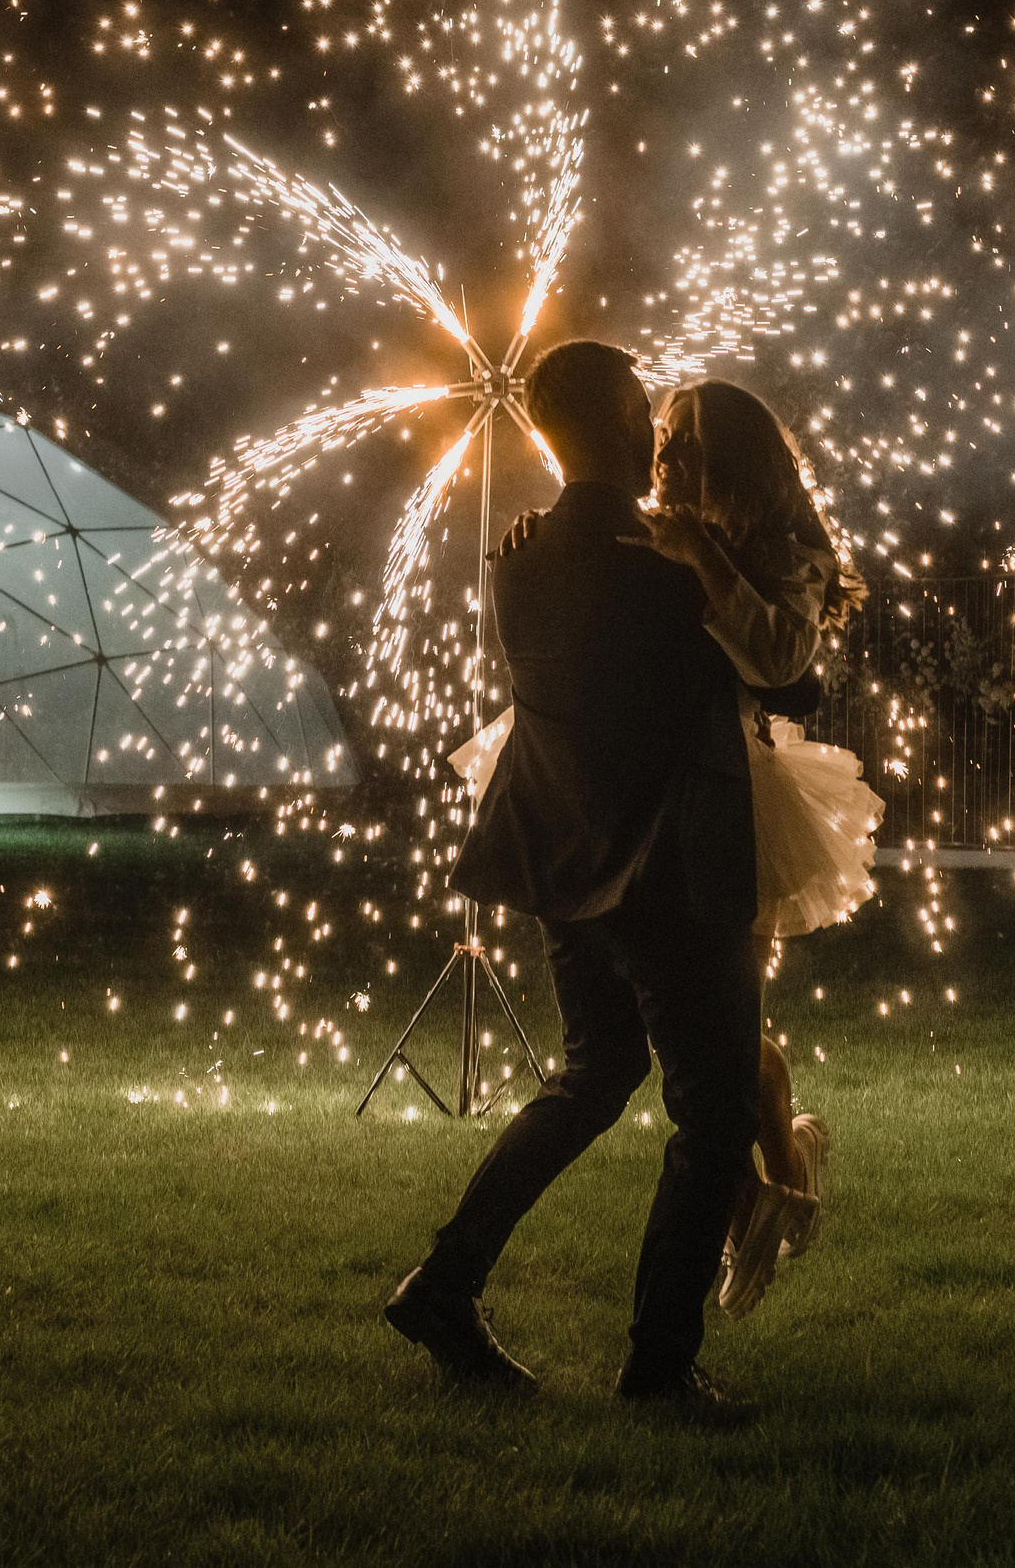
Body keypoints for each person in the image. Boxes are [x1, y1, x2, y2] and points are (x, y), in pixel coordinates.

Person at [384, 340, 761, 1417]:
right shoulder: (666, 566)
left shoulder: (518, 554)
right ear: (629, 421)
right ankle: (657, 1366)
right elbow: (793, 682)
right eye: (646, 410)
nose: (657, 429)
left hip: (557, 853)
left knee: (595, 1074)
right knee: (714, 1111)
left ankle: (445, 1282)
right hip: (662, 869)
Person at [459, 379, 882, 1319]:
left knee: (720, 1032)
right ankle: (776, 1182)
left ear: (738, 452)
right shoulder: (653, 526)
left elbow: (781, 664)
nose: (665, 450)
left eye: (687, 437)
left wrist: (703, 559)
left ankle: (773, 1185)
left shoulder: (781, 545)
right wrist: (547, 534)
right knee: (713, 1042)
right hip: (647, 796)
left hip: (735, 793)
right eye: (664, 431)